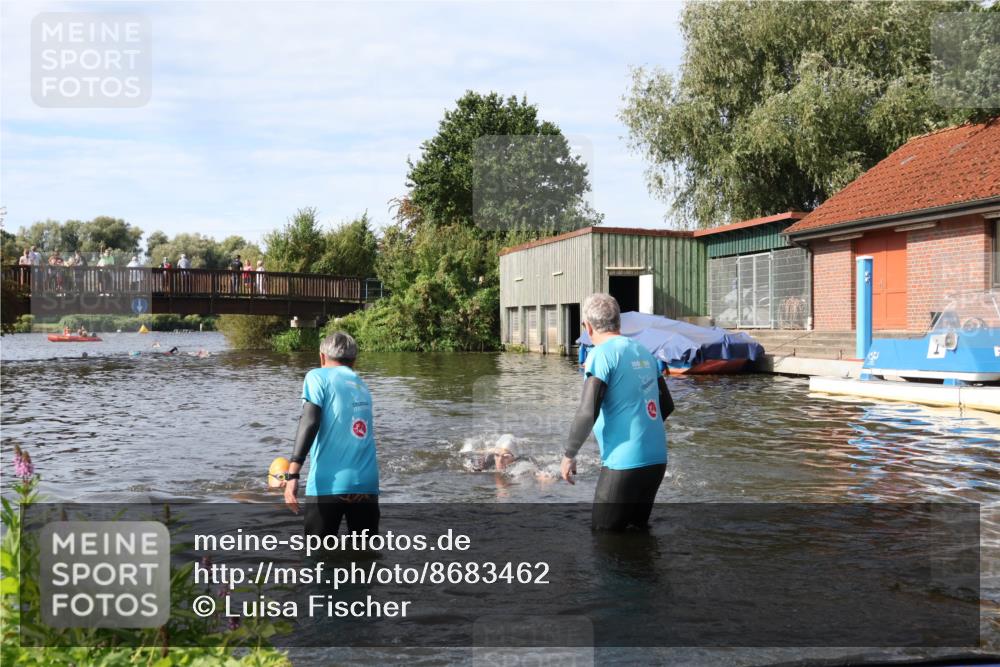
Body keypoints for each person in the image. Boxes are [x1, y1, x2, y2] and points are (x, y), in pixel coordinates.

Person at [562, 293, 674, 532]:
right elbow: (667, 405)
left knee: (604, 538)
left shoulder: (601, 355)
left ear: (588, 327)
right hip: (656, 461)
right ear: (618, 323)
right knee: (637, 534)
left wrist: (569, 454)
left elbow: (587, 411)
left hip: (624, 463)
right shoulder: (643, 351)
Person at [282, 332, 380, 537]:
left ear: (322, 357)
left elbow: (310, 421)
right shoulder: (362, 384)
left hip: (330, 484)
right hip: (367, 485)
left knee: (317, 557)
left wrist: (293, 474)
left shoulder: (317, 376)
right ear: (354, 360)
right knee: (365, 558)